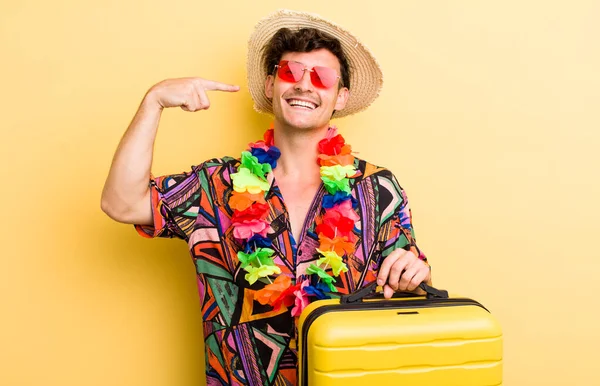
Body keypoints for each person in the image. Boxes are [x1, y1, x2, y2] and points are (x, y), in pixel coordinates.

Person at [101, 9, 431, 386]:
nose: (305, 86)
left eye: (321, 78)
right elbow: (121, 202)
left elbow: (409, 284)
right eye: (292, 72)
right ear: (272, 84)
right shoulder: (216, 185)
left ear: (341, 97)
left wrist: (415, 273)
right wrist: (154, 101)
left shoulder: (377, 189)